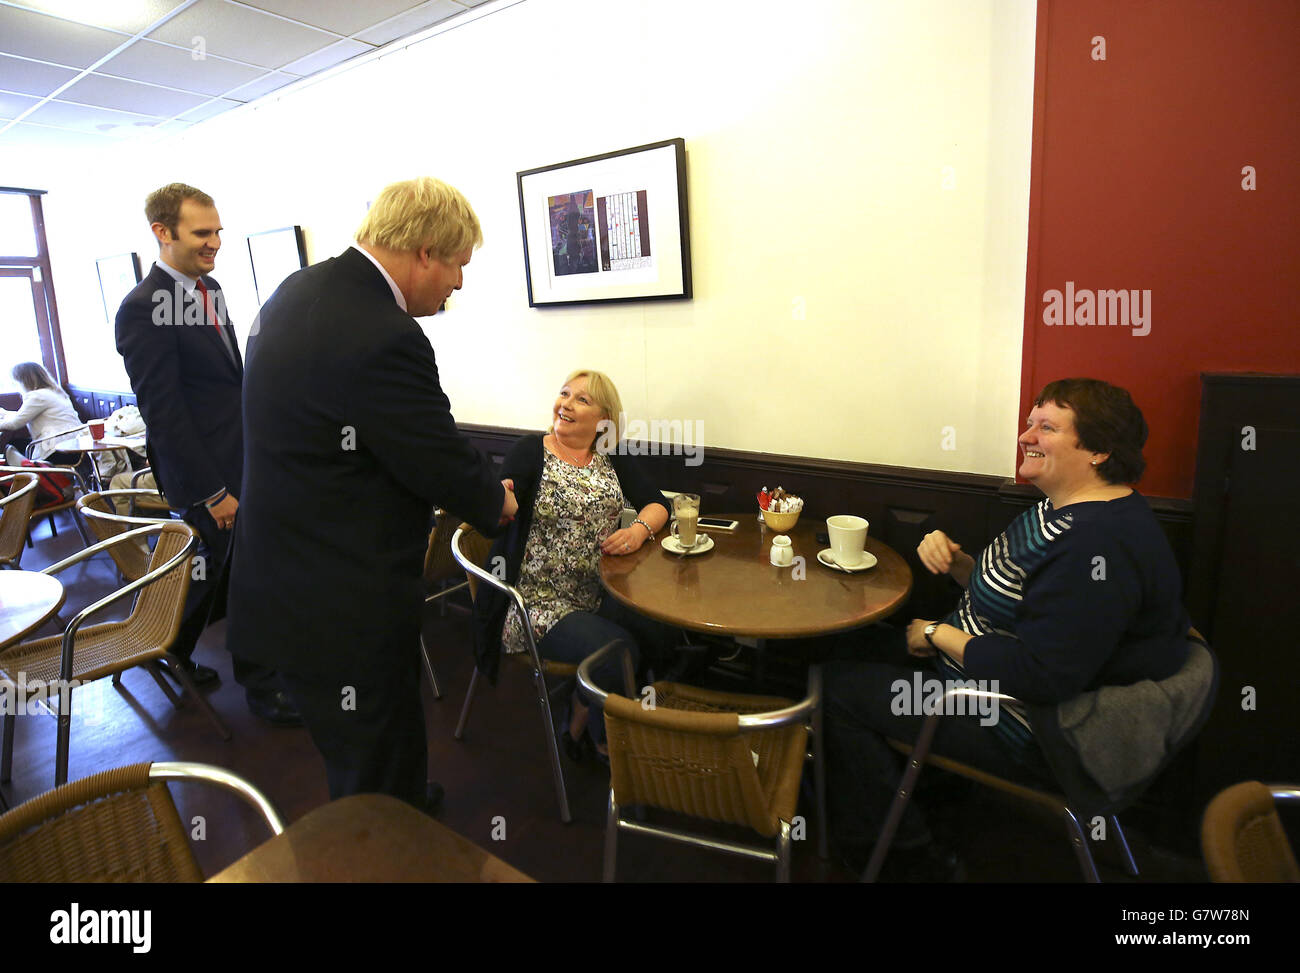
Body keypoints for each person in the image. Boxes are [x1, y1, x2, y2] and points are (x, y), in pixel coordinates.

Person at [823, 378, 1191, 879]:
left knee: (836, 690)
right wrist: (959, 566)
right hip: (978, 672)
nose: (1026, 435)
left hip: (1023, 725)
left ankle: (901, 855)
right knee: (840, 641)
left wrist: (937, 636)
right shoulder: (1071, 507)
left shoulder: (1096, 547)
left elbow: (1042, 675)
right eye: (1029, 422)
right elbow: (1032, 602)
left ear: (1100, 451)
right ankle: (917, 799)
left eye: (1047, 427)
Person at [227, 177, 517, 811]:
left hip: (283, 579)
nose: (459, 285)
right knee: (370, 754)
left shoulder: (295, 291)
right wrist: (495, 502)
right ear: (424, 253)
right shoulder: (383, 334)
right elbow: (434, 454)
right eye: (458, 266)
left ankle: (403, 803)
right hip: (342, 597)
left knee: (369, 738)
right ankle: (386, 839)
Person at [115, 182, 297, 724]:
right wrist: (213, 490)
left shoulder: (207, 288)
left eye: (218, 230)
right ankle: (264, 691)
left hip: (240, 458)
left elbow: (224, 381)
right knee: (246, 578)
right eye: (202, 232)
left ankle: (168, 647)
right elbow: (165, 413)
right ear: (162, 233)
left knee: (213, 571)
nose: (216, 241)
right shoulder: (142, 308)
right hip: (205, 474)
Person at [473, 369, 674, 761]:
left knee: (658, 626)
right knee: (619, 651)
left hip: (600, 589)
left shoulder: (610, 457)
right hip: (533, 602)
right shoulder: (530, 451)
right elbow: (502, 501)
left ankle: (584, 707)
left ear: (604, 420)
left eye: (581, 399)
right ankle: (602, 741)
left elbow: (658, 504)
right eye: (564, 394)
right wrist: (500, 500)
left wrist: (637, 531)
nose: (565, 404)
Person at [0, 363, 85, 470]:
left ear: (23, 381)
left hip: (56, 449)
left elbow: (15, 424)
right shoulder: (54, 392)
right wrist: (5, 413)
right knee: (17, 445)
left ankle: (26, 481)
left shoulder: (37, 396)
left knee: (13, 446)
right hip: (74, 446)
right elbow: (24, 415)